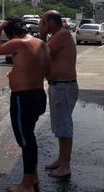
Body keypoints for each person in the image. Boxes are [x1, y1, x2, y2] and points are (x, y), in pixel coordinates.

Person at [0, 19, 50, 192]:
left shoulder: (18, 42)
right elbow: (46, 69)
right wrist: (19, 74)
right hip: (38, 95)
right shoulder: (41, 43)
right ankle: (33, 176)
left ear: (10, 34)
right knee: (29, 138)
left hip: (24, 98)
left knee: (26, 141)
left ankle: (27, 184)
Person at [40, 10, 78, 179]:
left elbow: (42, 54)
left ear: (51, 22)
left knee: (63, 126)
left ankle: (65, 166)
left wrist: (41, 35)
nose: (41, 24)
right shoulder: (58, 35)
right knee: (59, 125)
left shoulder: (61, 35)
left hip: (63, 87)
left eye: (43, 22)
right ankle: (61, 160)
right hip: (59, 86)